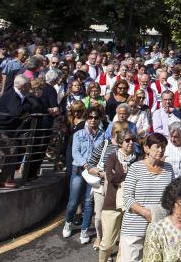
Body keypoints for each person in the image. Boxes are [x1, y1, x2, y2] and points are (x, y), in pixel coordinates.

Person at [119, 132, 174, 261]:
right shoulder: (135, 167)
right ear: (147, 148)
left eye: (163, 147)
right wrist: (146, 213)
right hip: (134, 226)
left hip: (159, 227)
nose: (161, 150)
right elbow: (127, 197)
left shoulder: (168, 168)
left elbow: (172, 196)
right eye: (157, 147)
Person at [63, 105, 106, 244]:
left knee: (89, 202)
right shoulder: (78, 134)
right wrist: (87, 166)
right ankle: (68, 222)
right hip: (79, 170)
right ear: (86, 118)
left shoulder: (104, 135)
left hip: (94, 173)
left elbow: (103, 154)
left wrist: (97, 169)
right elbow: (75, 153)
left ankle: (84, 230)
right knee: (73, 201)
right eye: (90, 117)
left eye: (96, 117)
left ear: (100, 119)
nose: (93, 120)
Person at [99, 129, 138, 262]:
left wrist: (120, 175)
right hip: (112, 203)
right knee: (107, 242)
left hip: (131, 204)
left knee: (125, 242)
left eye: (133, 139)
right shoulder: (112, 157)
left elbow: (140, 179)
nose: (131, 142)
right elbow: (110, 177)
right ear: (121, 142)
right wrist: (129, 175)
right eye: (127, 140)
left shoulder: (137, 158)